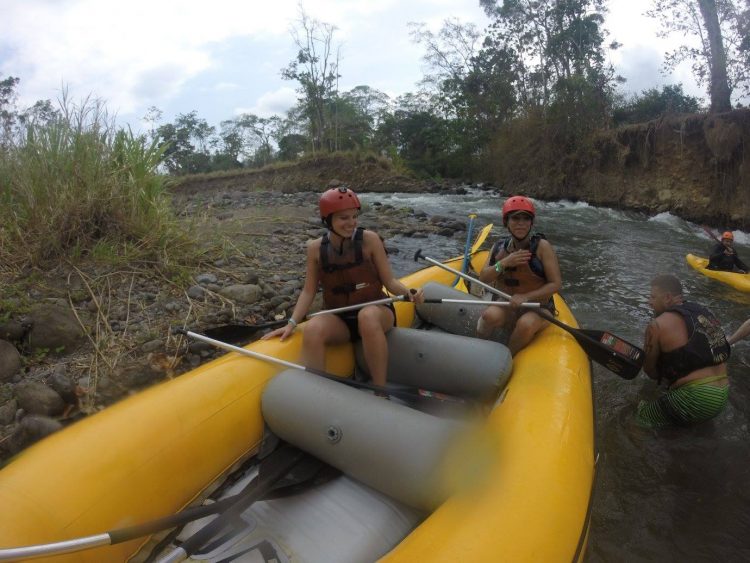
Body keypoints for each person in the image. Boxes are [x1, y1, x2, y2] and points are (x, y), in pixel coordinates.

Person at [262, 185, 424, 388]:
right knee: (313, 328)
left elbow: (390, 282)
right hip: (341, 319)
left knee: (367, 316)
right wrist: (291, 323)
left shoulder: (370, 240)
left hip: (378, 312)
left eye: (354, 217)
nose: (351, 223)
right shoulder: (314, 249)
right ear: (328, 220)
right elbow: (308, 291)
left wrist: (408, 292)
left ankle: (380, 389)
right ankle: (318, 392)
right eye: (343, 218)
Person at [637, 274, 731, 428]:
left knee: (640, 417)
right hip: (723, 392)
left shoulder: (657, 325)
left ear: (667, 297)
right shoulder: (703, 312)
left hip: (695, 397)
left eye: (653, 297)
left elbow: (649, 370)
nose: (649, 303)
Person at [475, 195, 562, 354]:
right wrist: (504, 263)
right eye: (515, 219)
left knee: (525, 324)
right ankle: (480, 349)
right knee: (489, 316)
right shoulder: (499, 247)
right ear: (506, 222)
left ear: (531, 222)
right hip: (507, 304)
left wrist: (526, 297)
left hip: (538, 307)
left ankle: (507, 357)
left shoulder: (542, 247)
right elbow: (483, 278)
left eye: (525, 219)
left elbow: (556, 284)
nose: (521, 223)